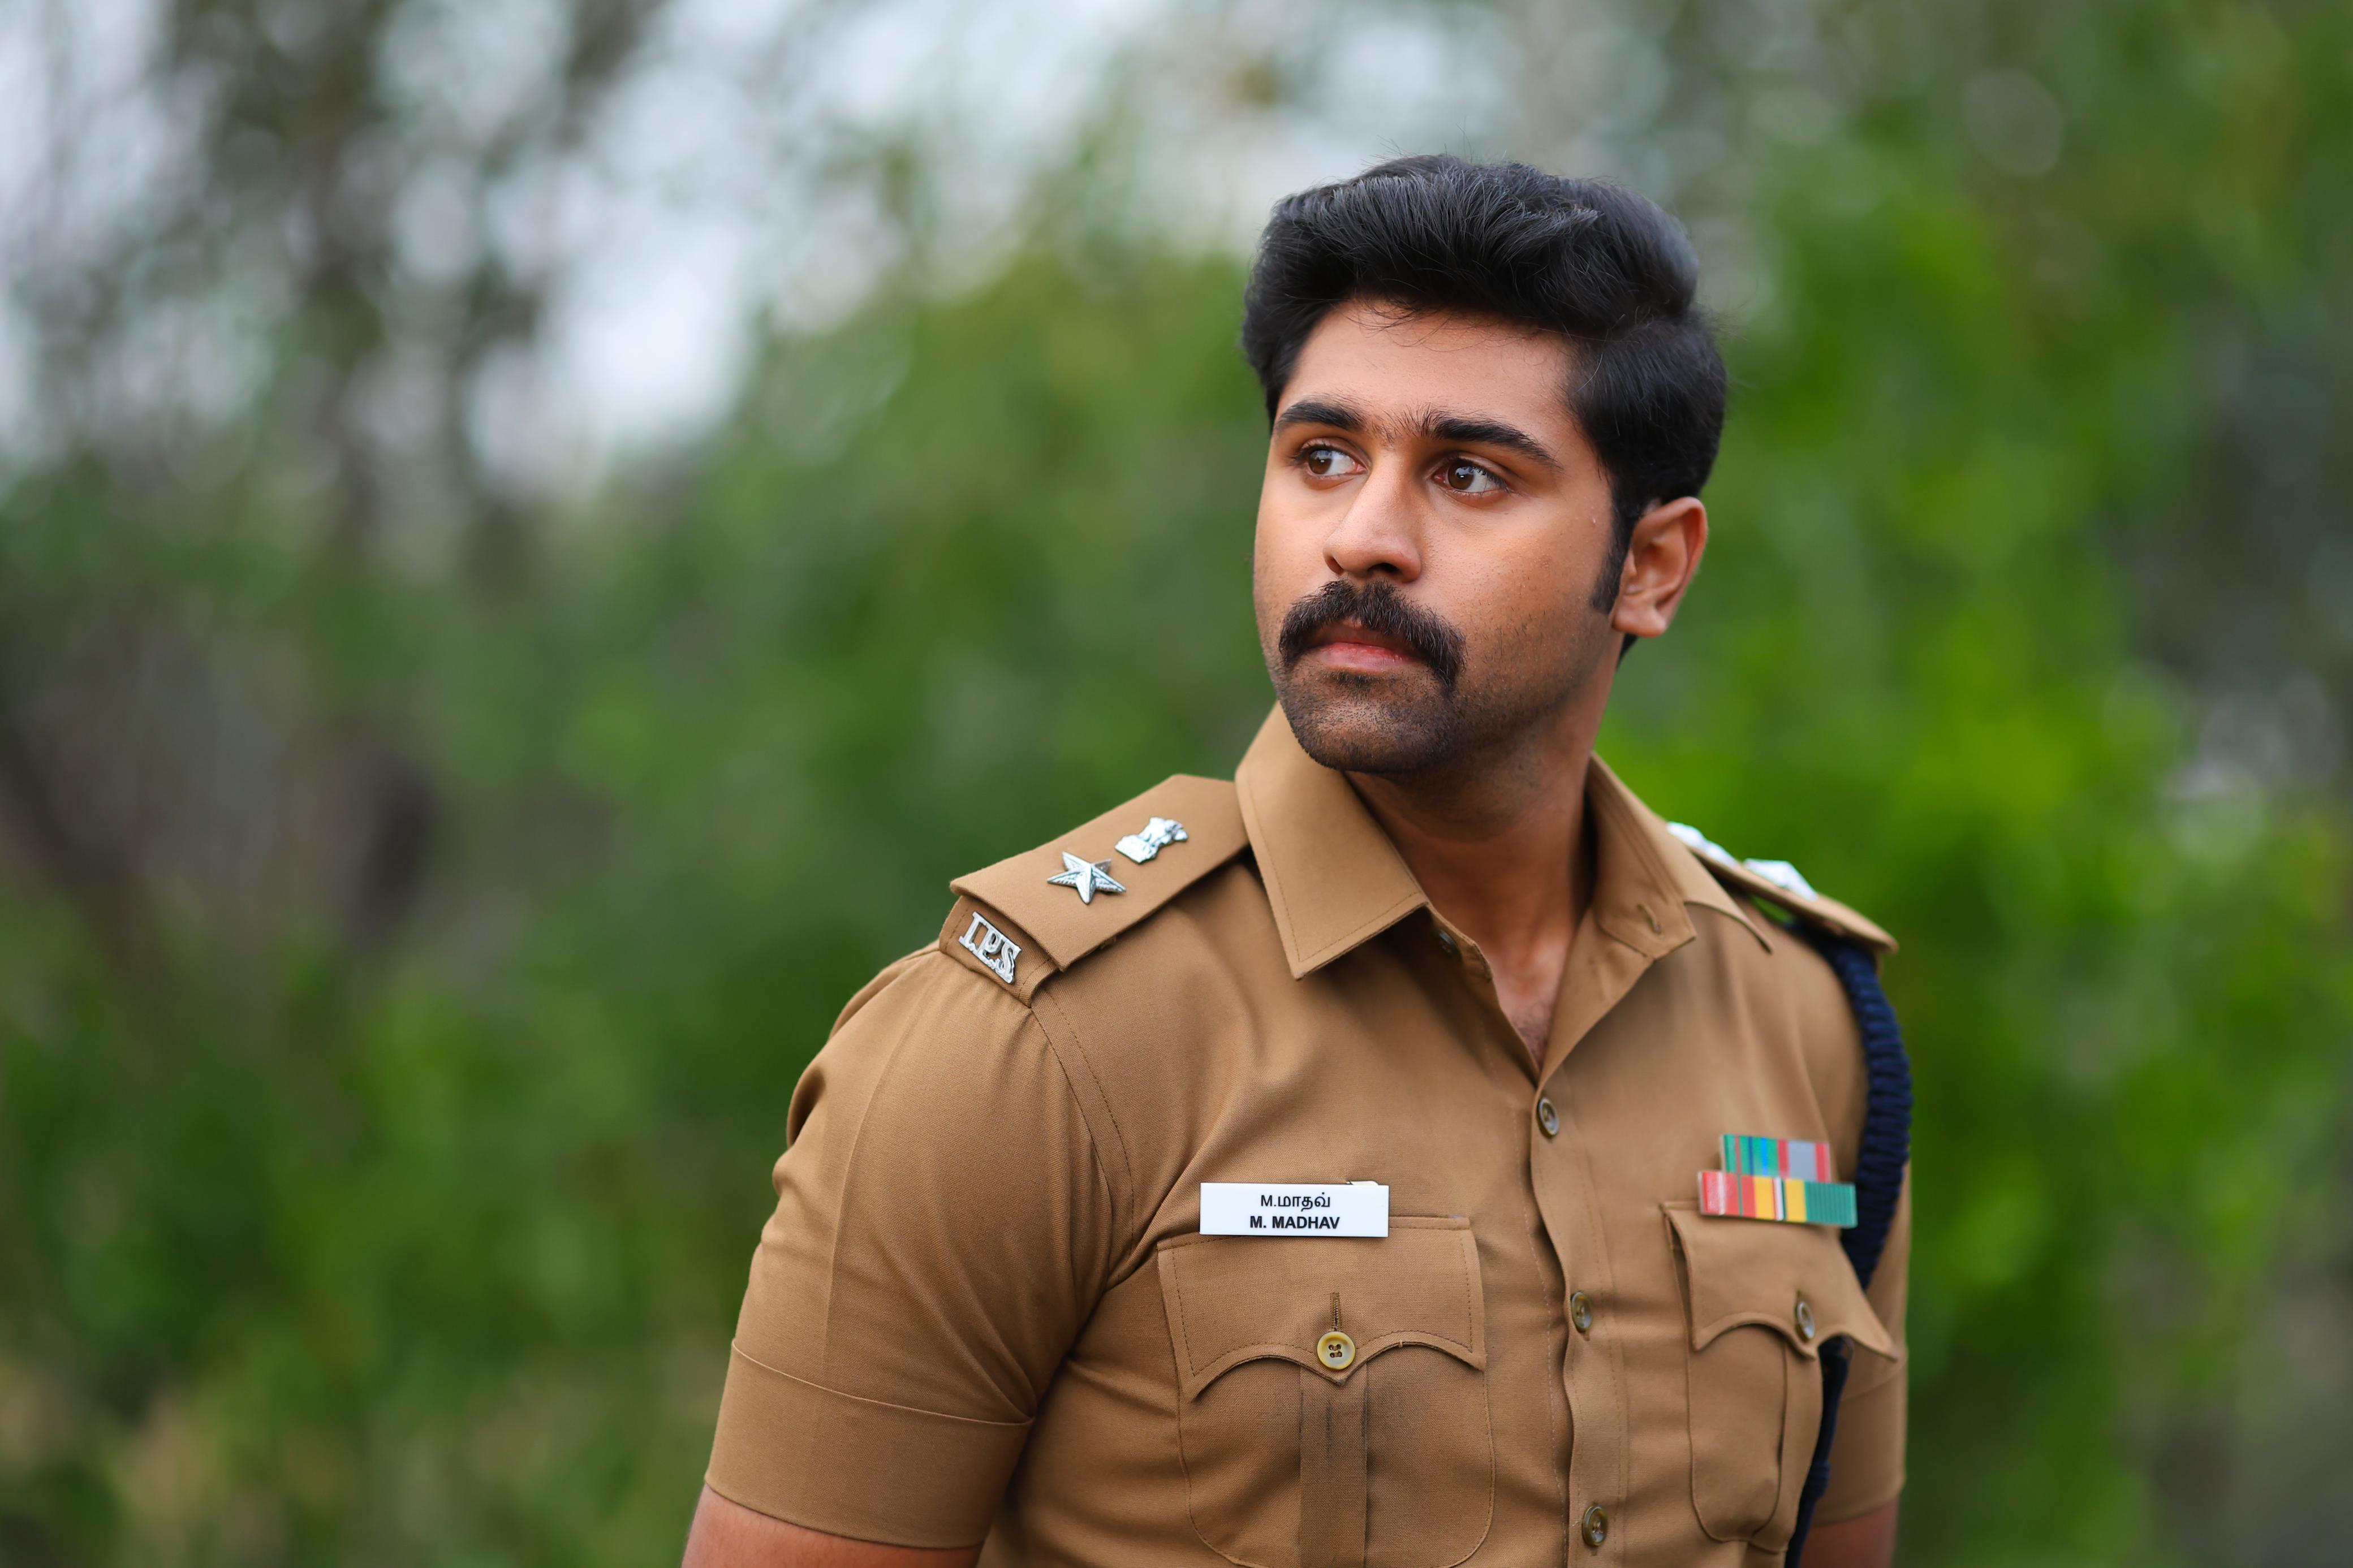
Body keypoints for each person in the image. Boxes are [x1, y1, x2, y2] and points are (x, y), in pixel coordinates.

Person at [680, 155, 1909, 1568]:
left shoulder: (1807, 1024)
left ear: (1650, 568)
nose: (1362, 538)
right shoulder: (1031, 1046)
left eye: (1466, 474)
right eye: (1321, 456)